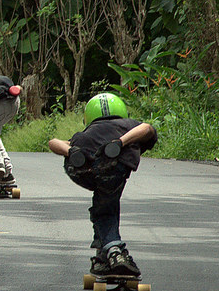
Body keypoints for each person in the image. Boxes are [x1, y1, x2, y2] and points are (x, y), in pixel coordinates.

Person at [47, 92, 157, 277]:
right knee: (106, 207)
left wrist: (71, 151)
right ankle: (115, 252)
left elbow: (53, 142)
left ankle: (102, 257)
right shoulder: (126, 125)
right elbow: (147, 128)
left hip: (83, 167)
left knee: (104, 203)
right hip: (114, 164)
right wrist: (120, 142)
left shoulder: (86, 132)